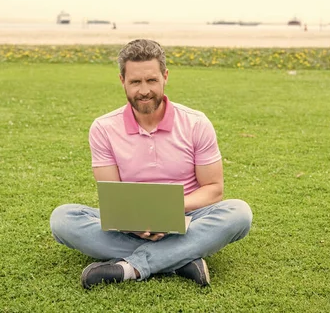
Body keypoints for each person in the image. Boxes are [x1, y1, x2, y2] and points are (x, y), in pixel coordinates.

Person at [50, 39, 252, 289]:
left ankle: (130, 268)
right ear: (122, 80)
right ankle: (181, 260)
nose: (144, 90)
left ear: (165, 77)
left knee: (239, 213)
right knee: (63, 219)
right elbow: (112, 195)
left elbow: (214, 188)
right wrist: (135, 223)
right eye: (135, 82)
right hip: (129, 220)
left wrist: (167, 211)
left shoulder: (196, 123)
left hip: (187, 216)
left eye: (151, 80)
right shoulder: (103, 128)